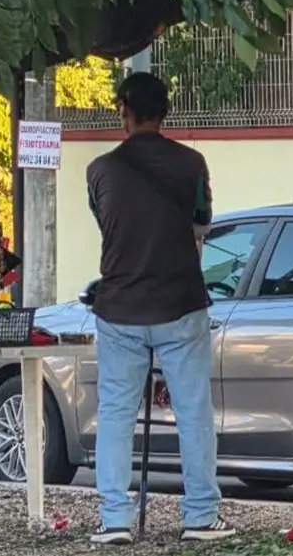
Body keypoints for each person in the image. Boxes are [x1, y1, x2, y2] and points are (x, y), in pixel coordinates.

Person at [86, 72, 235, 545]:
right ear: (164, 111)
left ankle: (115, 520)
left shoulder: (99, 170)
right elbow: (202, 222)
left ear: (124, 112)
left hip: (120, 307)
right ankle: (200, 517)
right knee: (193, 412)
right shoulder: (192, 164)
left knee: (115, 414)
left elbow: (105, 219)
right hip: (179, 304)